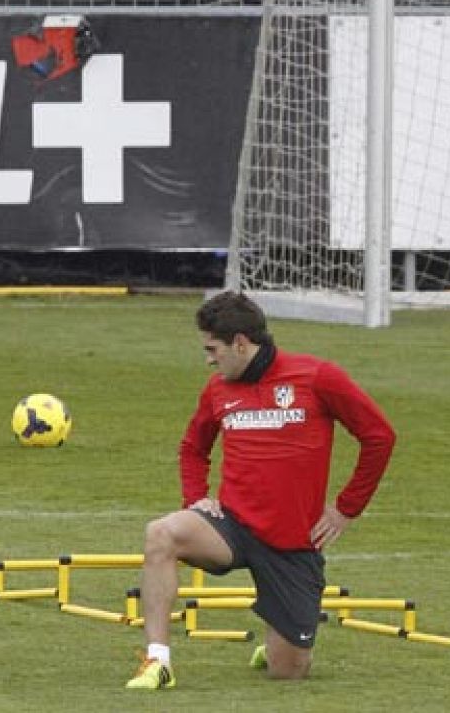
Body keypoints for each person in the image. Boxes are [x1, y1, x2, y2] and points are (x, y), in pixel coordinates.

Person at [126, 291, 397, 690]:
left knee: (287, 672)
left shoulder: (318, 377)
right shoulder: (217, 389)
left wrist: (345, 509)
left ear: (240, 343)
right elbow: (192, 447)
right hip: (231, 527)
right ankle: (157, 661)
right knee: (161, 533)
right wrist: (195, 498)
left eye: (212, 349)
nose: (208, 359)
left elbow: (379, 436)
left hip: (293, 545)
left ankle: (278, 643)